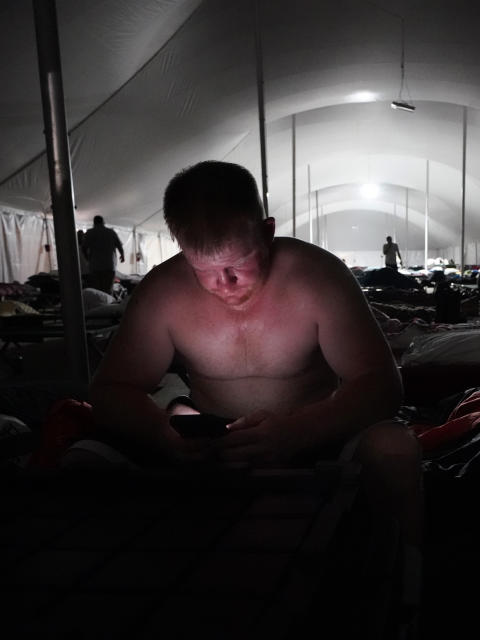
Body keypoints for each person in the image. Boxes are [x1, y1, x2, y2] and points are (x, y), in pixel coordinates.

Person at [86, 161, 423, 556]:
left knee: (394, 449)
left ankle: (397, 596)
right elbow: (109, 392)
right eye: (204, 269)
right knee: (84, 461)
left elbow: (382, 384)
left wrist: (300, 431)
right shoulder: (163, 292)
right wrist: (162, 432)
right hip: (213, 454)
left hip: (320, 442)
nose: (224, 284)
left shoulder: (317, 277)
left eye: (238, 263)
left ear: (267, 231)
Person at [83, 215, 124, 295]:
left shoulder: (90, 232)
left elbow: (84, 248)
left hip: (95, 266)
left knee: (97, 291)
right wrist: (122, 255)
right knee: (108, 290)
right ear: (103, 222)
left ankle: (100, 306)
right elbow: (119, 245)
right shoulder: (111, 232)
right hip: (109, 265)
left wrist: (88, 259)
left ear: (94, 222)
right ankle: (108, 305)